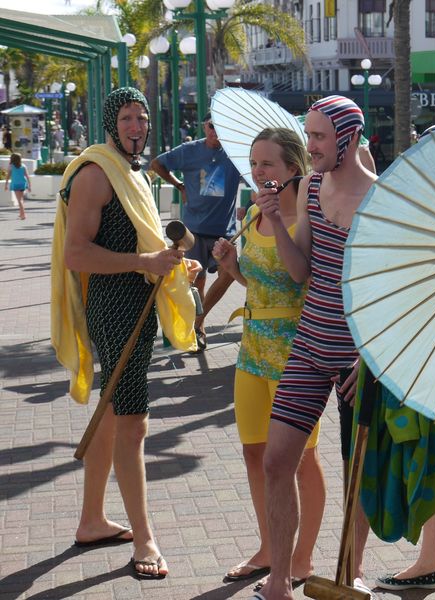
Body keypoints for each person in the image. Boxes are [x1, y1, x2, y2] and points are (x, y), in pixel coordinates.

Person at [50, 87, 200, 579]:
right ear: (111, 124)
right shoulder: (97, 174)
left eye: (142, 118)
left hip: (137, 305)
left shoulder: (132, 172)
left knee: (113, 415)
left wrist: (173, 267)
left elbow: (143, 246)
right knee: (133, 422)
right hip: (114, 313)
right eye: (127, 118)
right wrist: (144, 262)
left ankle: (92, 521)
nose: (137, 126)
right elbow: (76, 253)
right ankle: (145, 540)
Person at [252, 95, 377, 600]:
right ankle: (280, 580)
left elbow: (398, 290)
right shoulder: (311, 187)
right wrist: (277, 222)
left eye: (320, 136)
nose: (311, 145)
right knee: (276, 462)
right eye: (309, 134)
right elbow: (302, 270)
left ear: (347, 140)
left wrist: (372, 357)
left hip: (359, 356)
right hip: (309, 343)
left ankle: (352, 571)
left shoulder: (381, 199)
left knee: (357, 472)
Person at [211, 127, 325, 584]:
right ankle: (268, 546)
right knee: (253, 454)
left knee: (302, 461)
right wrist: (231, 267)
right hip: (252, 351)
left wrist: (278, 219)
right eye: (254, 164)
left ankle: (302, 557)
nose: (258, 172)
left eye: (268, 164)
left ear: (292, 168)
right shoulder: (253, 213)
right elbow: (259, 284)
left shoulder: (306, 216)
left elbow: (299, 280)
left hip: (296, 356)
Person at [151, 112, 241, 351]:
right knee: (197, 281)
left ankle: (199, 321)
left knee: (229, 274)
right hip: (194, 231)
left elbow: (257, 174)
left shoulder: (237, 154)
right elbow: (157, 164)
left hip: (224, 231)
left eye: (221, 127)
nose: (215, 131)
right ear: (204, 126)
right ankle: (197, 329)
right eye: (212, 125)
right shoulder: (189, 150)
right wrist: (179, 185)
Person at [4, 152, 31, 220]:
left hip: (16, 184)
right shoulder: (23, 166)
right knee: (21, 199)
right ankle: (21, 213)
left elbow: (8, 176)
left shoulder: (11, 166)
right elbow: (27, 176)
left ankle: (23, 215)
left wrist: (6, 185)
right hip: (22, 184)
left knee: (19, 200)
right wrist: (29, 186)